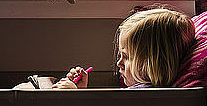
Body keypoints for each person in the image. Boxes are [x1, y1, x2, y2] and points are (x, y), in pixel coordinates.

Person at [52, 8, 196, 89]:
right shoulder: (143, 92)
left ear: (154, 62)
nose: (118, 63)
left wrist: (74, 97)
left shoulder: (147, 96)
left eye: (126, 57)